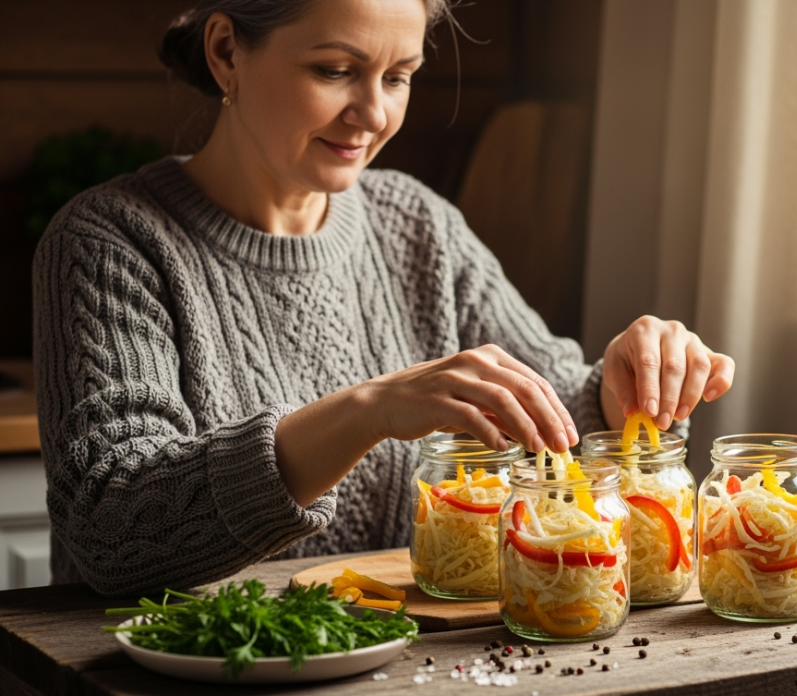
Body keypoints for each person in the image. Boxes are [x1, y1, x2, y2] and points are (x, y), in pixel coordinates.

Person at [31, 0, 733, 596]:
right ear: (225, 53)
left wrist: (621, 393)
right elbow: (109, 530)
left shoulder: (418, 224)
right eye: (335, 71)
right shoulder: (110, 241)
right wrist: (367, 411)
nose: (372, 113)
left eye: (398, 77)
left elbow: (560, 421)